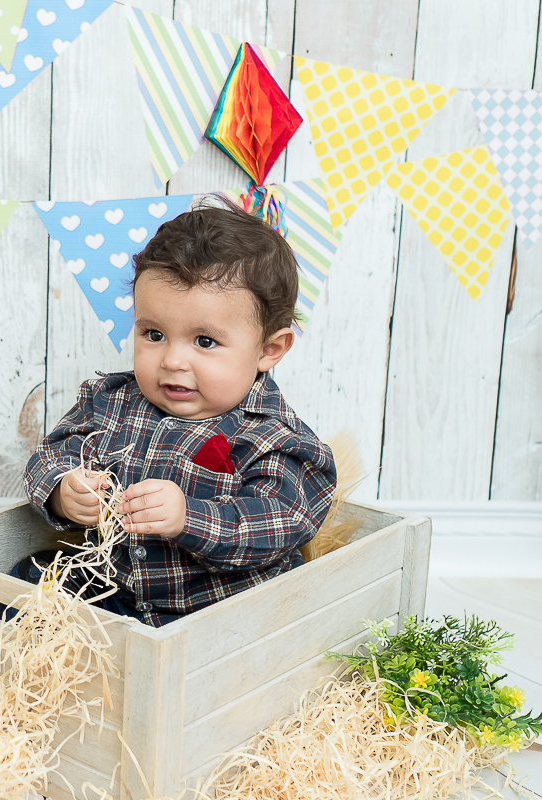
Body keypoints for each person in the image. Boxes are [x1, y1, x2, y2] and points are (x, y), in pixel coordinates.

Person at [21, 202, 337, 627]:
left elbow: (284, 520)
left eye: (204, 341)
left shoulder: (274, 436)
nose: (172, 360)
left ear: (269, 349)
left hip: (217, 610)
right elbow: (52, 452)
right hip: (118, 590)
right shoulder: (110, 402)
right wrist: (64, 489)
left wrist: (189, 516)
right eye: (154, 334)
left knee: (256, 634)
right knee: (26, 583)